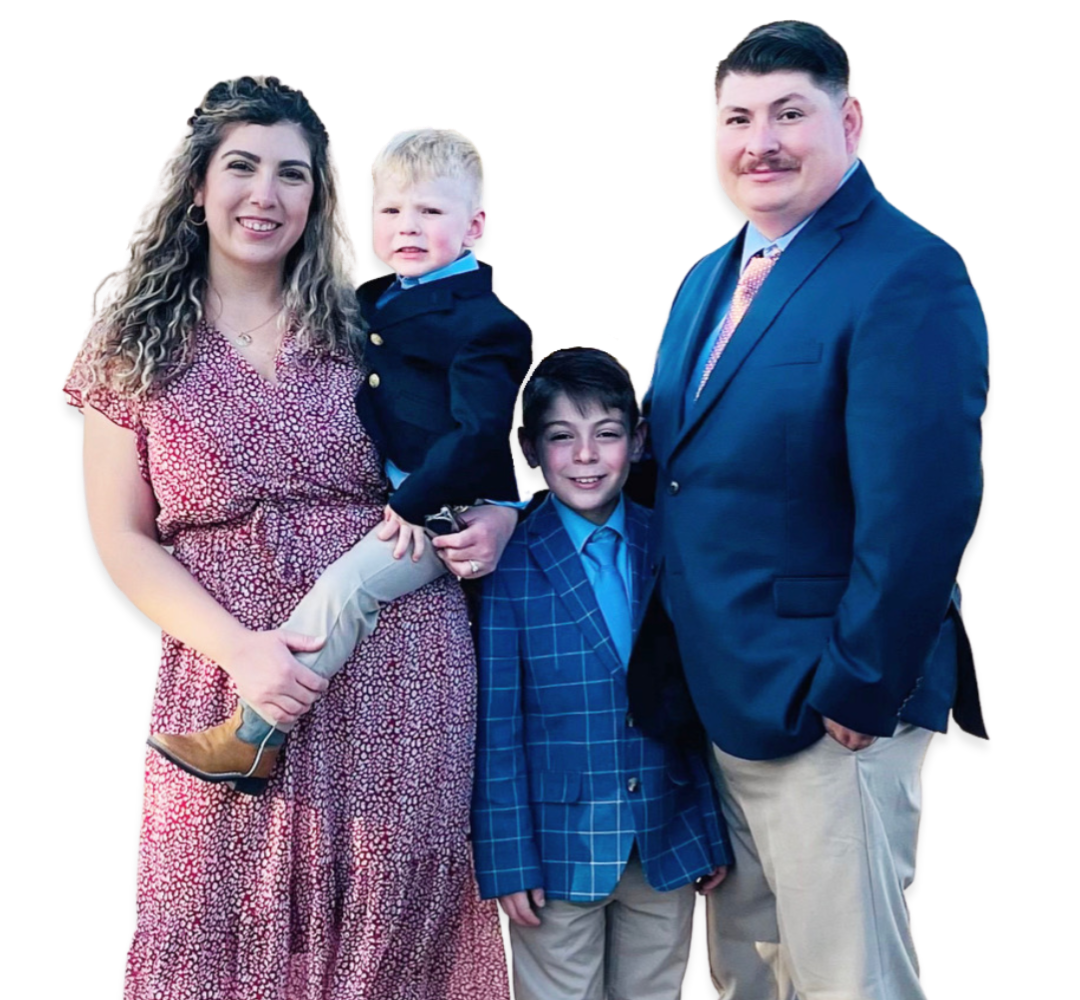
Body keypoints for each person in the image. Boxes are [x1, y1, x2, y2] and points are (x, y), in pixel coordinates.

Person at [64, 75, 513, 999]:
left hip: (403, 671)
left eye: (292, 175)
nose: (265, 195)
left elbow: (484, 428)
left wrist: (503, 513)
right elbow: (120, 536)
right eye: (241, 167)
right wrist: (243, 653)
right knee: (208, 917)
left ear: (320, 199)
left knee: (396, 927)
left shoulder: (375, 326)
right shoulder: (125, 343)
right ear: (196, 185)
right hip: (226, 676)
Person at [629, 21, 989, 1000]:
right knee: (752, 972)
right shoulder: (708, 274)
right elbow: (679, 465)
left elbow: (924, 506)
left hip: (835, 709)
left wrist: (859, 685)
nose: (763, 141)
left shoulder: (907, 271)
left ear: (851, 119)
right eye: (738, 117)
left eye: (791, 112)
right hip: (721, 695)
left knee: (849, 981)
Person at [145, 125, 532, 790]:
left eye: (431, 212)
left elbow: (479, 435)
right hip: (416, 495)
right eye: (391, 211)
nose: (407, 226)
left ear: (475, 226)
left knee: (346, 589)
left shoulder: (485, 323)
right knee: (348, 590)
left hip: (441, 507)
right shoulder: (376, 298)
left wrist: (428, 504)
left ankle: (254, 734)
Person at [472, 348, 732, 1000]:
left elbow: (687, 700)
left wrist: (704, 827)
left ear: (638, 441)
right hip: (557, 852)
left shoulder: (667, 543)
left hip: (664, 836)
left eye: (606, 434)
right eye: (562, 437)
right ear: (532, 449)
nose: (585, 456)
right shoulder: (508, 565)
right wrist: (507, 858)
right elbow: (496, 728)